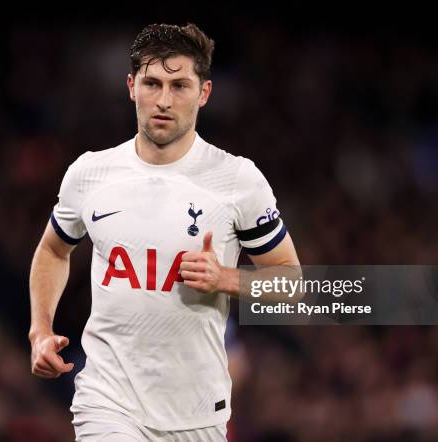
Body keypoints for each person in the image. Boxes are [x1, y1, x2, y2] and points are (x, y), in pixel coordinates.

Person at [28, 22, 300, 441]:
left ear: (204, 93)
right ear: (131, 86)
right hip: (107, 400)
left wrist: (226, 278)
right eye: (152, 83)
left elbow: (291, 282)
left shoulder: (237, 180)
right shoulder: (90, 173)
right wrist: (40, 330)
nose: (163, 100)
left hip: (197, 412)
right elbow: (53, 251)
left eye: (180, 86)